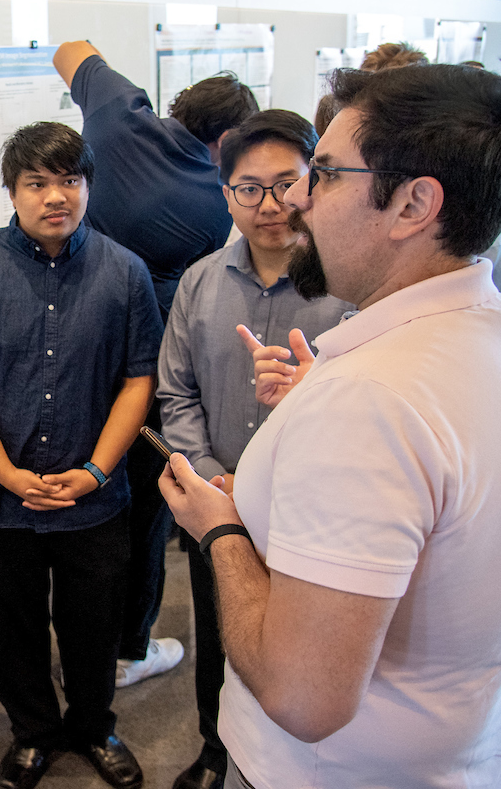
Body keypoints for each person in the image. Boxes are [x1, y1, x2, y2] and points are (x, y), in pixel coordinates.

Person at [161, 64, 501, 788]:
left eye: (324, 173)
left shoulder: (371, 400)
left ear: (413, 203)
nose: (300, 202)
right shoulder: (475, 335)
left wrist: (220, 528)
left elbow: (303, 695)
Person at [0, 121, 162, 789]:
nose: (55, 195)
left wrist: (94, 472)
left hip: (96, 498)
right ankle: (32, 733)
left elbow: (138, 380)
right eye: (37, 182)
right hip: (1, 497)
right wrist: (5, 471)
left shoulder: (124, 272)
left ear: (88, 185)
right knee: (15, 627)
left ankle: (94, 726)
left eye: (70, 179)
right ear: (12, 191)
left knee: (94, 625)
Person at [53, 40, 259, 689]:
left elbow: (69, 49)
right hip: (143, 381)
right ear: (226, 139)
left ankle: (73, 641)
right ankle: (126, 651)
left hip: (64, 355)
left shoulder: (117, 108)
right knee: (145, 516)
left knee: (75, 504)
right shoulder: (215, 194)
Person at [156, 110, 351, 789]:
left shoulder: (351, 288)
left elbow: (375, 410)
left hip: (314, 515)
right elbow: (174, 396)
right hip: (216, 507)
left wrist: (313, 391)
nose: (270, 205)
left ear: (315, 183)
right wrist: (214, 483)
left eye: (287, 183)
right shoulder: (201, 281)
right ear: (226, 195)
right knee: (219, 634)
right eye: (249, 188)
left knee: (310, 655)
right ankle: (217, 748)